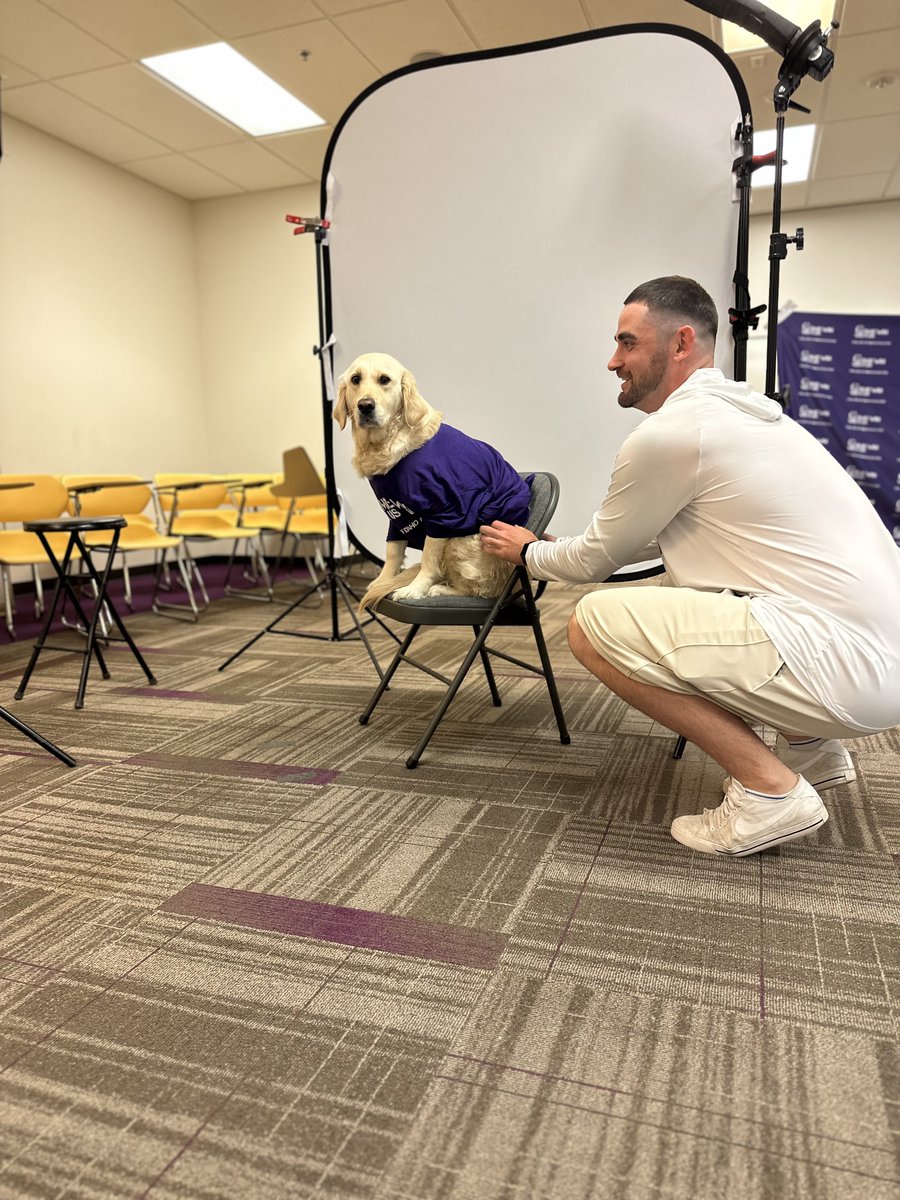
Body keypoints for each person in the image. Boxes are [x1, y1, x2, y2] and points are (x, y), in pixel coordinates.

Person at [480, 276, 900, 857]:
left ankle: (769, 792)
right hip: (874, 661)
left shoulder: (674, 433)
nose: (613, 360)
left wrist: (528, 551)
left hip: (848, 668)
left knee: (592, 626)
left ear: (680, 343)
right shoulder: (751, 416)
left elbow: (598, 561)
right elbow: (660, 539)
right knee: (707, 600)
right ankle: (811, 751)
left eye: (627, 343)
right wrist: (562, 544)